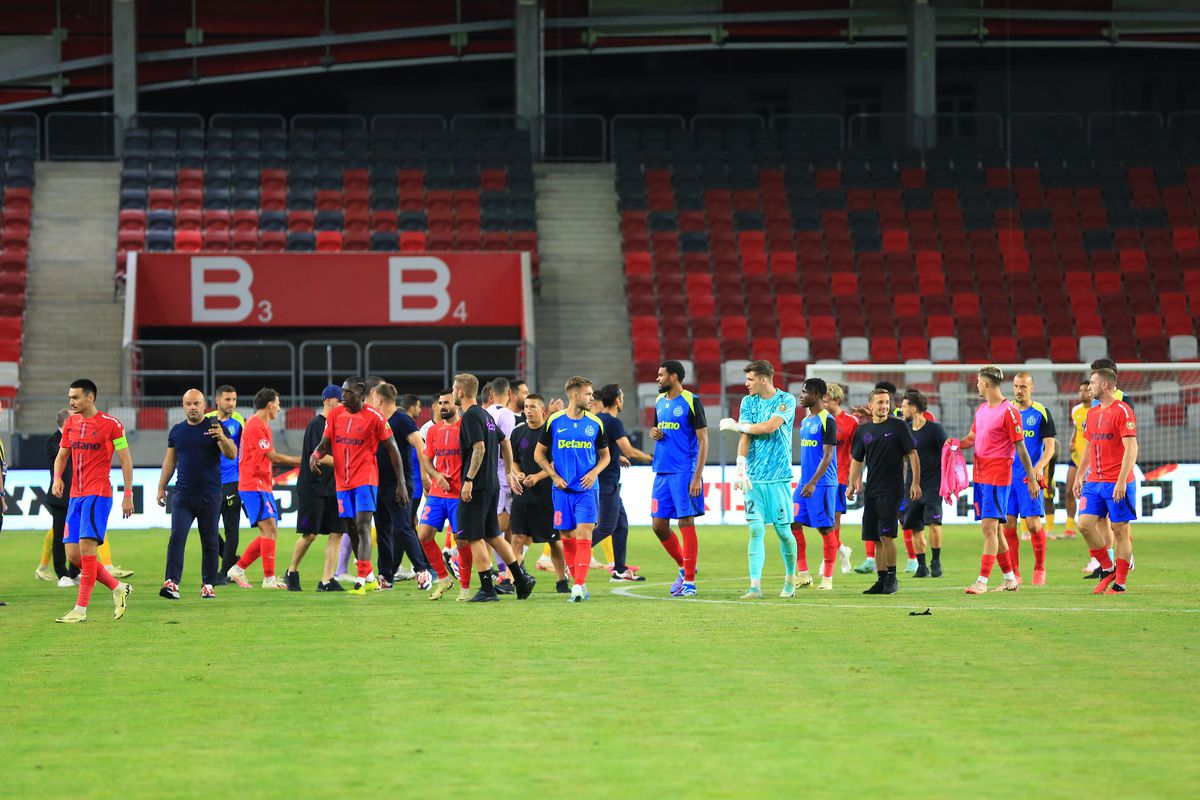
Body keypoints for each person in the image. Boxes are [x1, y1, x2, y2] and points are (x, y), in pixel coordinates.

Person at [309, 377, 408, 595]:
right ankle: (371, 576)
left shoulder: (375, 417)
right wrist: (315, 455)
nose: (343, 396)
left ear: (361, 396)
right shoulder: (335, 415)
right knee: (350, 526)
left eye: (348, 393)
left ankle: (361, 579)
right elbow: (325, 444)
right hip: (342, 481)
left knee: (363, 525)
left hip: (365, 479)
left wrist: (401, 483)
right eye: (343, 392)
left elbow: (393, 450)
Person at [51, 378, 135, 623]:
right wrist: (57, 478)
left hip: (97, 494)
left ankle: (80, 610)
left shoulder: (111, 425)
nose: (71, 402)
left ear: (90, 397)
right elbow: (62, 455)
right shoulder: (70, 423)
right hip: (75, 496)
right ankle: (118, 587)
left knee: (87, 551)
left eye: (75, 397)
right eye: (70, 397)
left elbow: (126, 461)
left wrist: (127, 494)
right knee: (74, 556)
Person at [718, 360, 798, 598]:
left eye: (750, 379)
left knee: (784, 532)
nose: (746, 384)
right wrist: (740, 467)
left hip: (779, 477)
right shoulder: (748, 402)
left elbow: (769, 427)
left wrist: (738, 425)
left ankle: (791, 581)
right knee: (755, 530)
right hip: (754, 479)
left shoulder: (786, 400)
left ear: (764, 379)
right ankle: (755, 586)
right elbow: (745, 435)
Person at [454, 372, 535, 603]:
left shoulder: (471, 416)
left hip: (477, 486)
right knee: (493, 535)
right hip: (492, 484)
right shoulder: (486, 415)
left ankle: (487, 589)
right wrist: (508, 471)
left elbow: (478, 448)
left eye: (453, 389)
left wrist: (468, 480)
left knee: (473, 537)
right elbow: (505, 441)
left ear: (461, 392)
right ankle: (520, 579)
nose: (452, 393)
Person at [958, 366, 1039, 595]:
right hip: (981, 475)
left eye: (977, 382)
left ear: (985, 383)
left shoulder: (1009, 412)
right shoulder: (982, 409)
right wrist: (953, 443)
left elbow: (1021, 447)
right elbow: (972, 438)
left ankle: (982, 581)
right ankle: (1010, 578)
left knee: (989, 528)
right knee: (997, 531)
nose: (976, 385)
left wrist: (1031, 478)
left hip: (998, 475)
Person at [534, 377, 610, 603]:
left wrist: (594, 472)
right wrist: (554, 476)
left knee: (584, 535)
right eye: (588, 394)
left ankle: (576, 585)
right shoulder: (554, 422)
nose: (592, 398)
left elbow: (606, 457)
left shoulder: (595, 423)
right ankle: (580, 582)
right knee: (566, 536)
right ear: (575, 396)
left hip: (587, 489)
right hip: (561, 490)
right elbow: (538, 454)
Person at [157, 389, 237, 599]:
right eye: (188, 403)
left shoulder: (214, 427)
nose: (192, 407)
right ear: (183, 406)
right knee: (177, 537)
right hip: (183, 495)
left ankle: (208, 584)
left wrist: (221, 437)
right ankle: (172, 582)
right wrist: (161, 487)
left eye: (196, 403)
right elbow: (170, 461)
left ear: (204, 405)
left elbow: (232, 454)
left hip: (210, 495)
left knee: (210, 539)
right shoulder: (177, 431)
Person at [225, 388, 302, 589]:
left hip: (262, 484)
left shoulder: (260, 425)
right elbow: (272, 456)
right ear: (269, 405)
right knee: (269, 529)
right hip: (253, 484)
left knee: (269, 531)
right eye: (278, 403)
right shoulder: (255, 425)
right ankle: (268, 578)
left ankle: (239, 569)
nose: (279, 408)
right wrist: (299, 461)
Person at [846, 387, 920, 595]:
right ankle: (881, 580)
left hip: (893, 489)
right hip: (872, 491)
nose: (884, 406)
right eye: (880, 402)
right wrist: (852, 484)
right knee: (875, 537)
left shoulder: (898, 427)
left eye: (887, 402)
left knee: (887, 536)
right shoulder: (863, 432)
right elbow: (856, 460)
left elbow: (912, 455)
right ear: (871, 406)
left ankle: (892, 578)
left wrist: (915, 483)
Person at [1073, 368, 1138, 594]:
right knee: (1084, 524)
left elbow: (1132, 447)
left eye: (1091, 383)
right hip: (1094, 481)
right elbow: (1089, 447)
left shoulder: (1123, 411)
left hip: (1117, 481)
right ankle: (1108, 567)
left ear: (1104, 385)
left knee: (1119, 530)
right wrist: (1080, 475)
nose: (1088, 387)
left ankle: (1120, 583)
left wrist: (1121, 481)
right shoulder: (1092, 413)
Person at [648, 360, 709, 596]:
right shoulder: (659, 401)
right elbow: (658, 428)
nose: (657, 378)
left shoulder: (691, 401)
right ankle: (684, 567)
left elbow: (704, 440)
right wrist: (654, 432)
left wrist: (697, 477)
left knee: (686, 522)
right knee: (658, 525)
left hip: (684, 470)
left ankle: (690, 582)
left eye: (661, 375)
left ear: (673, 377)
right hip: (662, 469)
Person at [371, 382, 434, 590]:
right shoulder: (378, 420)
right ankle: (386, 576)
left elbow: (420, 445)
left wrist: (424, 476)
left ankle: (422, 570)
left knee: (403, 527)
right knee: (383, 531)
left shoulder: (402, 420)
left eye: (373, 398)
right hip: (378, 483)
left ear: (379, 399)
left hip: (399, 484)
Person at [285, 386, 345, 592]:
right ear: (329, 401)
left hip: (334, 487)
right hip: (313, 487)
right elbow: (318, 454)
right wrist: (347, 463)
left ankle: (327, 580)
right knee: (309, 534)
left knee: (337, 532)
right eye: (340, 401)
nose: (343, 406)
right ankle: (291, 571)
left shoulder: (339, 425)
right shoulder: (317, 425)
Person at [509, 393, 569, 592]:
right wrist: (517, 474)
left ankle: (562, 581)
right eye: (526, 406)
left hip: (546, 496)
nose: (528, 410)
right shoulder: (518, 433)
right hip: (522, 496)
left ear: (543, 410)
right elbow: (514, 460)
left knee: (554, 541)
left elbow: (555, 462)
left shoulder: (551, 432)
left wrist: (537, 477)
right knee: (516, 538)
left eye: (533, 407)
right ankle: (514, 581)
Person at [594, 384, 652, 582]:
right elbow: (630, 451)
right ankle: (571, 558)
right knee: (606, 528)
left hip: (605, 482)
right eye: (622, 397)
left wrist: (616, 457)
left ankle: (619, 570)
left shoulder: (597, 420)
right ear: (617, 400)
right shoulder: (613, 422)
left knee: (621, 526)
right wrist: (654, 458)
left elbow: (599, 447)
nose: (623, 400)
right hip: (606, 482)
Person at [1005, 372, 1057, 586]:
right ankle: (1015, 573)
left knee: (1034, 525)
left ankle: (1039, 567)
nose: (1019, 391)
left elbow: (1050, 447)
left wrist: (1038, 467)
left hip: (1029, 479)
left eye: (1023, 387)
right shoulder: (1005, 410)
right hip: (1007, 477)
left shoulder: (1041, 412)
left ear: (1032, 388)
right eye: (1016, 386)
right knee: (1008, 525)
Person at [792, 377, 840, 590]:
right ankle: (803, 574)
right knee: (792, 524)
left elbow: (828, 455)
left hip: (822, 484)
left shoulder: (827, 420)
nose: (800, 396)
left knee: (825, 528)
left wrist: (812, 482)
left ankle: (828, 579)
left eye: (804, 392)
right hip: (805, 482)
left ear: (817, 395)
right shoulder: (805, 421)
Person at [417, 390, 464, 601]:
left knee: (461, 541)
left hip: (458, 494)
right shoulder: (434, 431)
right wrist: (435, 475)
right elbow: (427, 459)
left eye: (447, 402)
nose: (443, 406)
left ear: (457, 405)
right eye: (440, 403)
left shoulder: (465, 428)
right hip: (437, 493)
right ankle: (444, 578)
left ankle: (465, 585)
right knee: (424, 535)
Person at [900, 390, 947, 578]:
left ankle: (935, 562)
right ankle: (921, 566)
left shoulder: (935, 430)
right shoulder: (905, 430)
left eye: (903, 406)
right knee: (914, 526)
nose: (901, 409)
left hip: (933, 484)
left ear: (913, 408)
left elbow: (947, 454)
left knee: (934, 523)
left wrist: (948, 480)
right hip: (912, 484)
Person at [205, 385, 244, 582]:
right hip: (210, 483)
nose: (231, 404)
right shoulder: (207, 420)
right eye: (228, 399)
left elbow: (244, 450)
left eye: (234, 400)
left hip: (232, 481)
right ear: (218, 400)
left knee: (231, 528)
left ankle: (224, 572)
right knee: (209, 528)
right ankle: (231, 560)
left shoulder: (238, 422)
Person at [42, 408, 79, 586]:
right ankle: (61, 573)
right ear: (66, 423)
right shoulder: (53, 441)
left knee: (76, 535)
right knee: (59, 536)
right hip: (59, 497)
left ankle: (74, 572)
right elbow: (59, 457)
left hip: (76, 495)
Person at [823, 384, 856, 575]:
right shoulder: (819, 419)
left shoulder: (851, 422)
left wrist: (855, 479)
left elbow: (856, 453)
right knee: (824, 523)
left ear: (836, 400)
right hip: (822, 478)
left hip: (841, 476)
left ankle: (828, 561)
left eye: (826, 400)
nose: (823, 404)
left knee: (834, 521)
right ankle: (842, 550)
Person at [1064, 379, 1091, 542]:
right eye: (1080, 390)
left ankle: (1091, 524)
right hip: (1076, 457)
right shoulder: (1076, 410)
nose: (1082, 393)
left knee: (1087, 494)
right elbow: (1077, 428)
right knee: (1068, 491)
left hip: (1091, 460)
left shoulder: (1096, 409)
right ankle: (1069, 527)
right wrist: (1072, 440)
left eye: (1085, 390)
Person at [401, 393, 425, 535]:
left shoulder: (407, 430)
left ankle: (421, 558)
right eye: (418, 406)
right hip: (412, 487)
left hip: (412, 487)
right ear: (411, 409)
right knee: (406, 527)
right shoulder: (409, 430)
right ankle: (422, 558)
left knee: (406, 526)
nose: (420, 410)